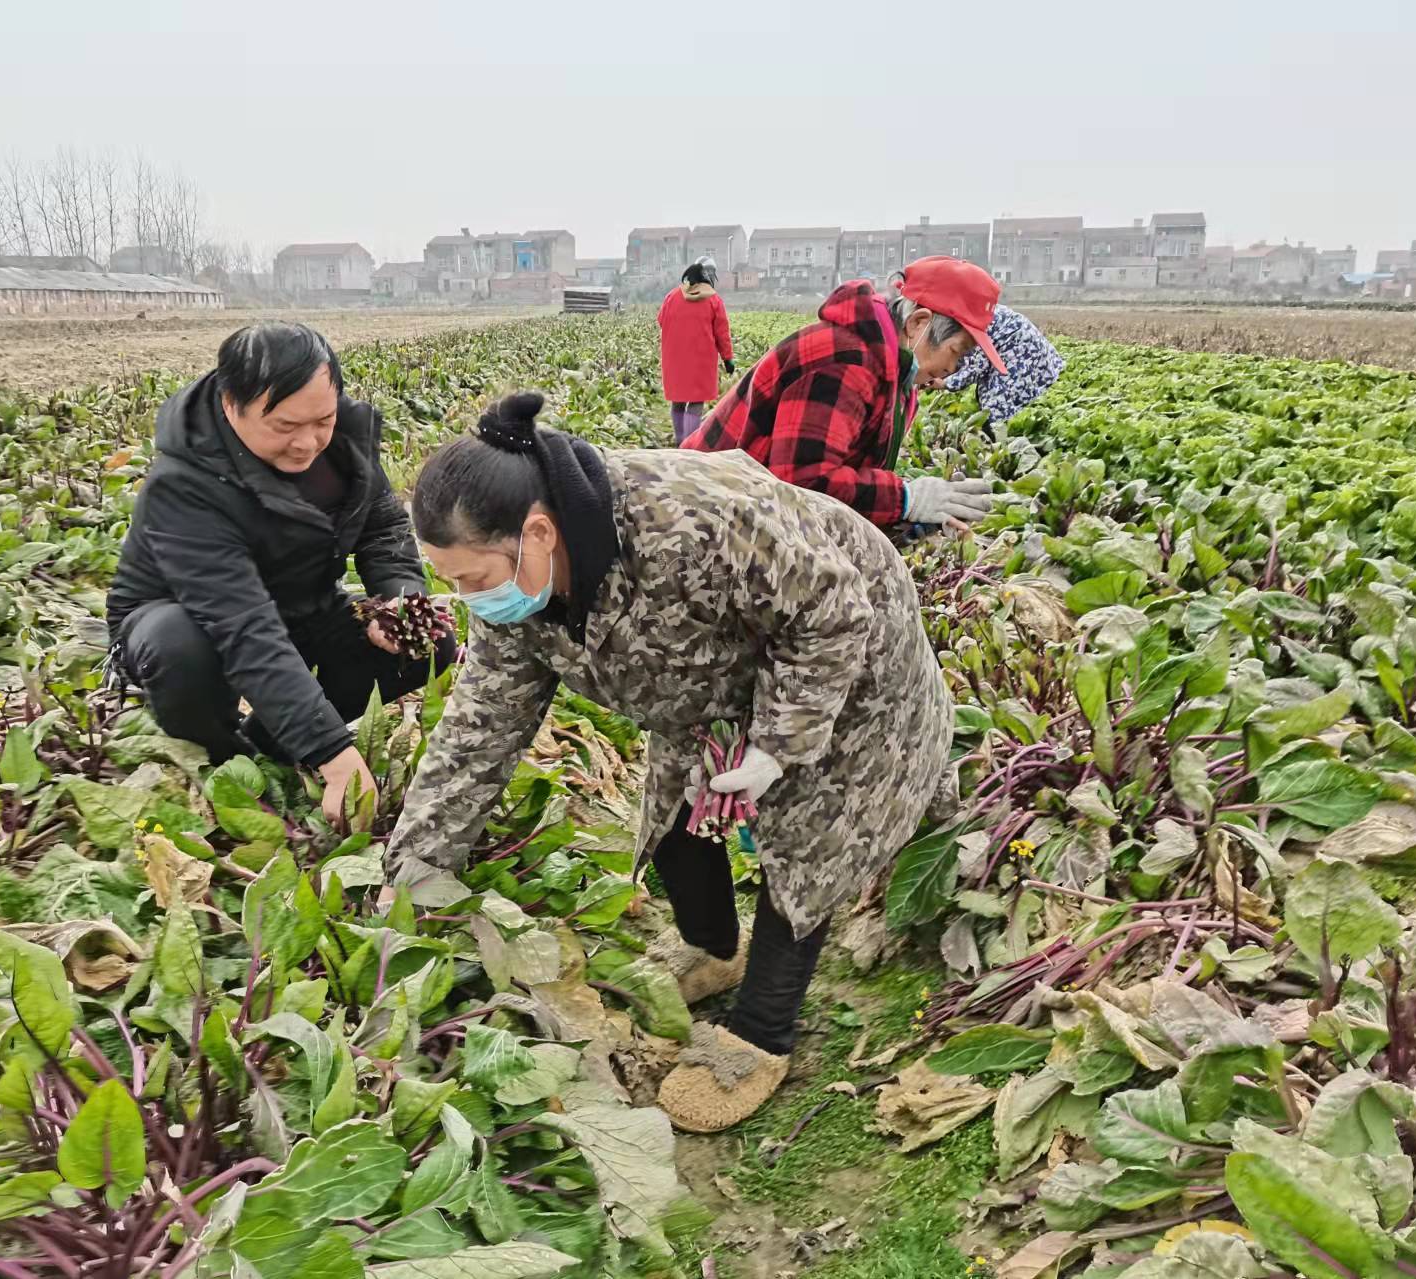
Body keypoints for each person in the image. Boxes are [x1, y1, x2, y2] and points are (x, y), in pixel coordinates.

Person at [387, 391, 952, 1134]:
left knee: (812, 835)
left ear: (536, 531)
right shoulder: (518, 592)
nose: (468, 600)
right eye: (452, 583)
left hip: (840, 638)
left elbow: (833, 612)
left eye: (471, 579)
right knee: (679, 819)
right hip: (710, 678)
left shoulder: (691, 523)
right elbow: (477, 730)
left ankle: (763, 1029)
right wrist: (414, 871)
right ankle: (714, 946)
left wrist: (779, 743)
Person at [106, 322, 457, 827]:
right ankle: (224, 755)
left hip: (301, 599)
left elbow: (382, 529)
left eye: (323, 420)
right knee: (179, 646)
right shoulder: (182, 487)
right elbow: (242, 626)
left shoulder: (345, 445)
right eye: (285, 426)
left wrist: (397, 602)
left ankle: (268, 746)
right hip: (185, 620)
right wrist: (334, 755)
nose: (307, 443)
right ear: (231, 405)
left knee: (427, 639)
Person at [681, 255, 1003, 531]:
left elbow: (845, 472)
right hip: (701, 511)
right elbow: (803, 484)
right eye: (957, 351)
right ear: (919, 324)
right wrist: (905, 499)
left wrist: (918, 515)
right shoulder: (845, 362)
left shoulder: (895, 373)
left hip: (749, 503)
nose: (954, 367)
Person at [930, 303, 1065, 431]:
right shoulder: (970, 314)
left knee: (996, 409)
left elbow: (977, 366)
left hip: (1020, 355)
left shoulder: (972, 323)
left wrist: (945, 383)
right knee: (998, 405)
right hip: (1028, 353)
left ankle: (998, 443)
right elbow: (963, 358)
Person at [657, 255, 735, 444]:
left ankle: (679, 439)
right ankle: (689, 444)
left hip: (674, 358)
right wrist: (728, 359)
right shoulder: (713, 300)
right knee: (695, 402)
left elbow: (661, 320)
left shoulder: (672, 296)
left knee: (678, 400)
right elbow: (722, 333)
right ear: (709, 275)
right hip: (700, 360)